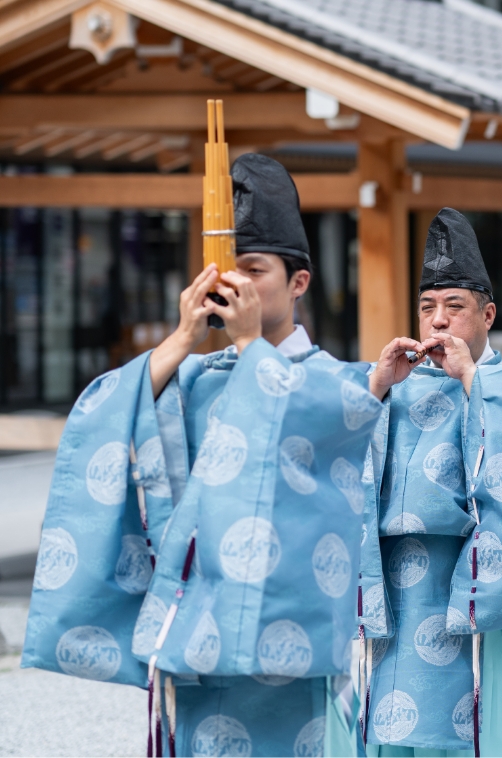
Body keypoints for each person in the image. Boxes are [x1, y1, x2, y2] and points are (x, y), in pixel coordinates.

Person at [22, 154, 381, 757]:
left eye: (253, 270)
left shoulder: (336, 382)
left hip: (280, 637)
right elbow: (103, 413)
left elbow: (327, 450)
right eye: (224, 270)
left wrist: (250, 346)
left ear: (299, 283)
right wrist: (183, 337)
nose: (234, 284)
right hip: (195, 624)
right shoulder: (192, 375)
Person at [343, 208, 502, 756]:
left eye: (454, 307)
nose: (438, 321)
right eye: (427, 307)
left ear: (487, 314)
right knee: (392, 720)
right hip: (397, 585)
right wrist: (376, 388)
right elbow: (335, 451)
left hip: (473, 583)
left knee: (476, 722)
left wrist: (474, 382)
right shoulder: (393, 382)